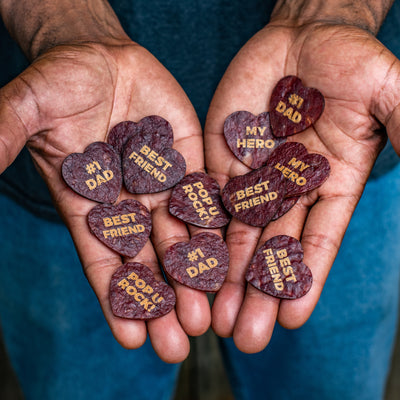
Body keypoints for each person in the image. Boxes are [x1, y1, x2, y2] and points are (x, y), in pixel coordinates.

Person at [0, 0, 399, 399]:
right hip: (72, 151)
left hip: (339, 149)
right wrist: (65, 24)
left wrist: (329, 13)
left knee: (322, 384)